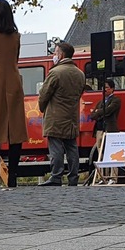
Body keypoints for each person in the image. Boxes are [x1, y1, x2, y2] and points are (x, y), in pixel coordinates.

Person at [0, 0, 27, 188]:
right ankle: (14, 175)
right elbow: (15, 58)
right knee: (15, 129)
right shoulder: (16, 36)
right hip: (13, 80)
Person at [37, 41, 86, 186]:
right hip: (72, 115)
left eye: (55, 52)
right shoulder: (80, 74)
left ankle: (56, 176)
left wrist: (42, 107)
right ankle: (73, 177)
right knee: (71, 147)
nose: (53, 55)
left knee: (56, 147)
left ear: (61, 54)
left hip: (55, 116)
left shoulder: (55, 72)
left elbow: (44, 94)